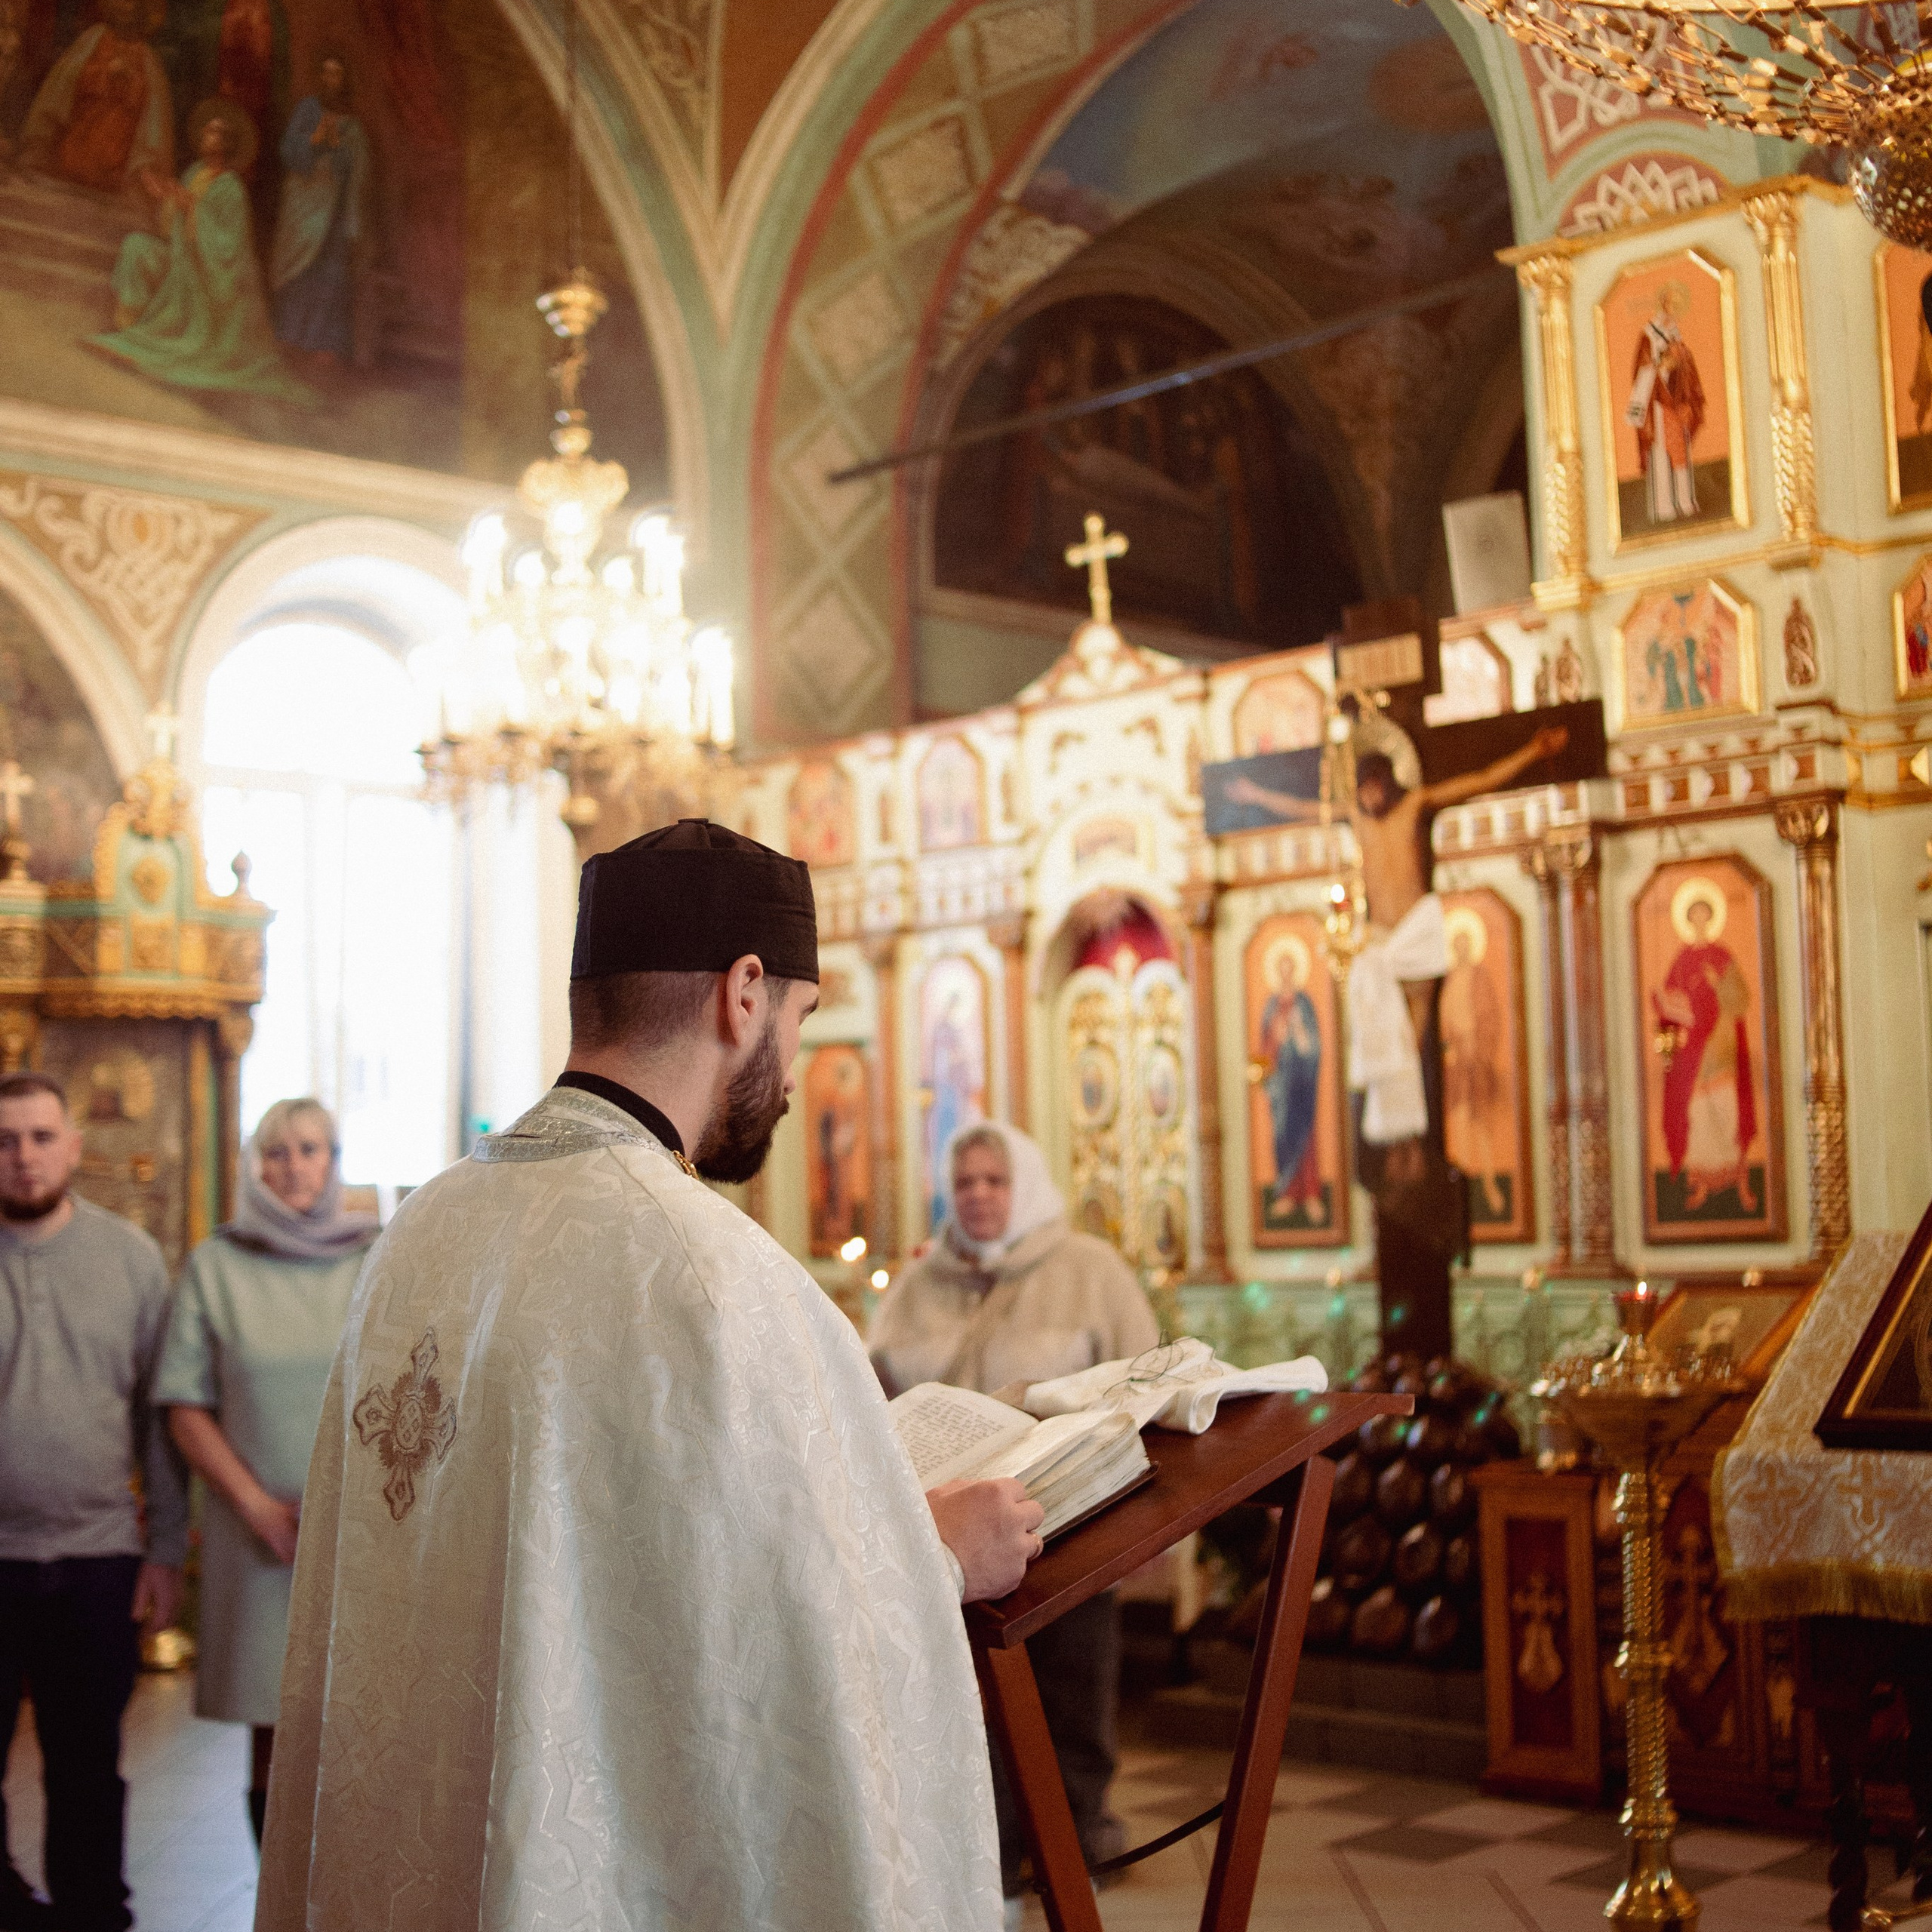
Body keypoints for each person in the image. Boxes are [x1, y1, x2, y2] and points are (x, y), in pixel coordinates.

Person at [257, 821, 1042, 1932]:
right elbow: (783, 1648)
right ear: (744, 992)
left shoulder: (421, 1230)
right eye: (804, 1019)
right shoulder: (707, 1273)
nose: (796, 1063)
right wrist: (937, 1556)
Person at [869, 1120, 1159, 1918]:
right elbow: (874, 1387)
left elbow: (1141, 1385)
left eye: (995, 1181)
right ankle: (988, 1857)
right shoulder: (921, 1282)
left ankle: (1076, 1845)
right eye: (965, 1183)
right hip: (953, 1542)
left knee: (1070, 1697)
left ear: (1023, 1184)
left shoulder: (1088, 1271)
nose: (979, 1196)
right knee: (969, 1706)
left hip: (1066, 1528)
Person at [154, 1098, 376, 1851]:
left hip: (363, 1528)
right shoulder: (217, 1265)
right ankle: (277, 1900)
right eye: (276, 1153)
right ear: (256, 1166)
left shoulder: (379, 1257)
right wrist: (259, 1509)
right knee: (273, 1727)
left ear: (334, 1160)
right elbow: (184, 1400)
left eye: (310, 1149)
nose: (294, 1167)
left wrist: (352, 1506)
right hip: (256, 1534)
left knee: (365, 1716)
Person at [0, 1072, 186, 1932]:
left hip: (97, 1555)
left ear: (74, 1146)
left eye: (41, 1136)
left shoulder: (130, 1259)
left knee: (85, 1766)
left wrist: (164, 1551)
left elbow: (164, 1412)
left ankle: (90, 1914)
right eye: (7, 1139)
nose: (24, 1155)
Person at [89, 98, 316, 406]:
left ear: (226, 143)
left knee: (190, 330)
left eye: (214, 133)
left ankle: (152, 340)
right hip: (181, 259)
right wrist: (168, 197)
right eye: (206, 132)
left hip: (209, 277)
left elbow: (228, 249)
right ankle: (129, 324)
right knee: (136, 246)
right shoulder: (194, 172)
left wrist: (193, 207)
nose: (206, 137)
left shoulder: (232, 188)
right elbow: (170, 230)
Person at [269, 54, 368, 372]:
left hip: (333, 212)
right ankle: (289, 335)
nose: (330, 79)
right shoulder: (307, 110)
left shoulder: (352, 125)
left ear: (345, 80)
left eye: (337, 73)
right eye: (325, 72)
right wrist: (312, 141)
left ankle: (323, 346)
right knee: (299, 272)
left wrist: (337, 145)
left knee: (329, 277)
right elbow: (288, 151)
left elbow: (354, 173)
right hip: (301, 207)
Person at [17, 0, 172, 198]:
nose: (125, 8)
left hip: (118, 146)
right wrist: (105, 73)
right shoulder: (94, 38)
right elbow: (68, 80)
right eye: (121, 3)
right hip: (82, 134)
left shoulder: (148, 58)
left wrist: (129, 80)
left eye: (132, 5)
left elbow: (151, 112)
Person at [1626, 281, 1706, 525]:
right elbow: (1643, 369)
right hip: (1657, 404)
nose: (1674, 308)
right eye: (1671, 303)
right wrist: (1661, 368)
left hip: (1677, 401)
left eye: (1678, 304)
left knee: (1680, 452)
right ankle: (1663, 506)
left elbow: (1686, 367)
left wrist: (1680, 366)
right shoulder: (1650, 333)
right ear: (1663, 304)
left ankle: (1685, 501)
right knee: (1660, 452)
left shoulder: (1675, 333)